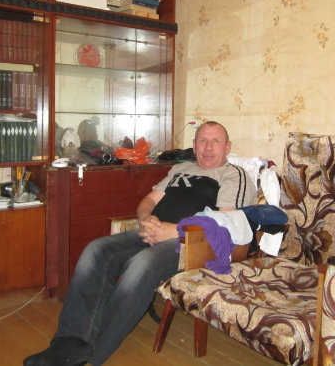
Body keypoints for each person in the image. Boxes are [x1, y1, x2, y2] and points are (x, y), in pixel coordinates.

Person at [24, 121, 256, 366]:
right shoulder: (181, 168)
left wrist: (175, 230)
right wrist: (145, 218)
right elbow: (149, 200)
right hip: (153, 232)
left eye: (215, 141)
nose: (208, 147)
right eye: (202, 140)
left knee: (141, 264)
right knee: (96, 250)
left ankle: (95, 351)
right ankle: (69, 344)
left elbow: (225, 222)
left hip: (190, 242)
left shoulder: (233, 174)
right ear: (194, 145)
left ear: (227, 147)